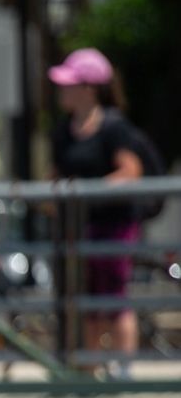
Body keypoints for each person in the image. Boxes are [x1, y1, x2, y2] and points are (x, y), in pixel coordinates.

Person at [48, 47, 145, 371]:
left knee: (113, 296)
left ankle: (122, 368)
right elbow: (54, 177)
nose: (63, 89)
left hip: (114, 224)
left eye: (70, 83)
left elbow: (130, 172)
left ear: (88, 88)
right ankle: (90, 370)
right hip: (79, 227)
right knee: (85, 299)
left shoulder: (114, 127)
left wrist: (88, 192)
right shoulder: (62, 131)